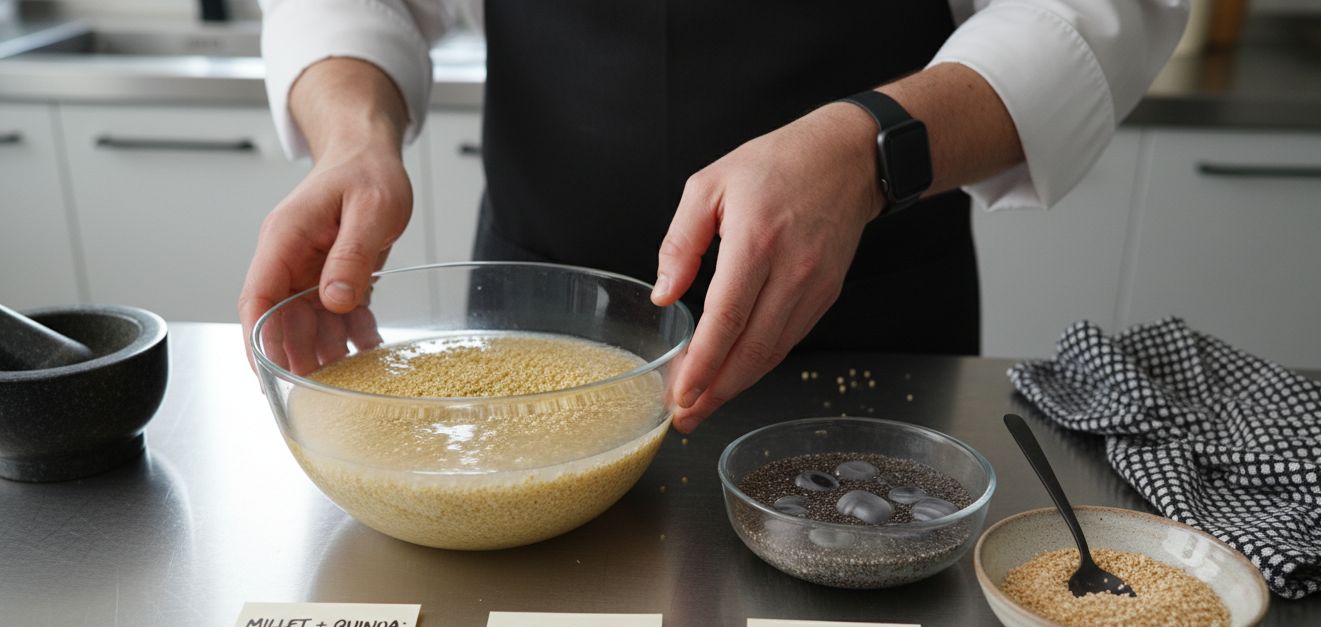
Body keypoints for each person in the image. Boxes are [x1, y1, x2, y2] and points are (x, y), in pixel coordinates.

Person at [242, 0, 1188, 432]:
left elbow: (1098, 11)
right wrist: (354, 138)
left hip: (870, 326)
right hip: (534, 311)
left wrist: (871, 148)